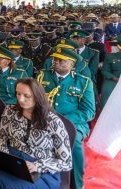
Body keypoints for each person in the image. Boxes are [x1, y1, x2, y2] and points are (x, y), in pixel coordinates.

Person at [0, 78, 72, 189]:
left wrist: (38, 166)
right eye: (18, 94)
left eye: (26, 96)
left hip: (42, 170)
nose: (21, 99)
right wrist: (6, 158)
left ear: (37, 96)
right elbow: (1, 138)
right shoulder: (10, 111)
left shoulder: (53, 121)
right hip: (14, 160)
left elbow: (67, 162)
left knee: (2, 184)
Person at [37, 48, 95, 189]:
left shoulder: (83, 82)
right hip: (44, 118)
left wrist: (62, 120)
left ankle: (77, 184)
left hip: (74, 123)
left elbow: (88, 112)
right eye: (55, 59)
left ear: (72, 64)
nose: (57, 62)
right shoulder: (42, 76)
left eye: (62, 60)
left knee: (72, 141)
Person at [100, 34, 121, 108]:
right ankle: (106, 110)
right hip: (115, 79)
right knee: (107, 90)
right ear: (118, 47)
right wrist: (115, 78)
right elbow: (105, 71)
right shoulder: (110, 56)